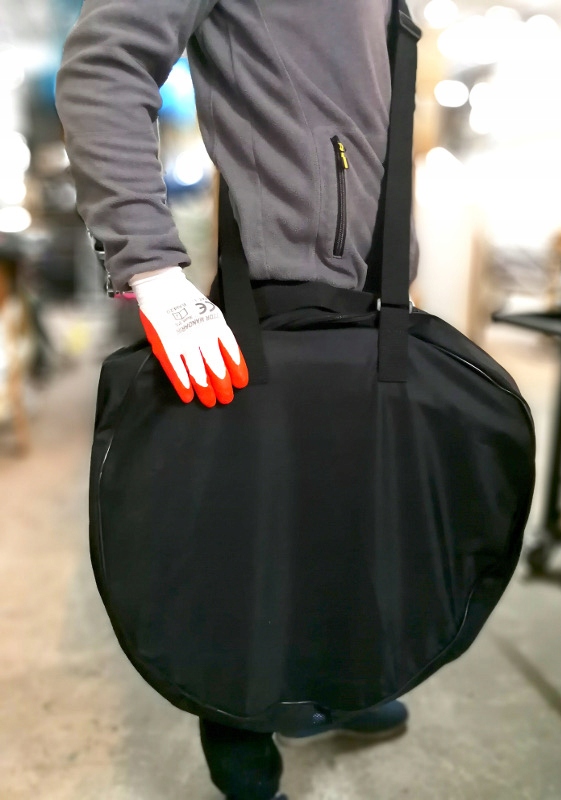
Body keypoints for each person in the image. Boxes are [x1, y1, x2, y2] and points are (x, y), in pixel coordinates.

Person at [56, 2, 418, 798]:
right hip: (275, 294)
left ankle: (332, 683)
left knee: (349, 518)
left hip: (371, 294)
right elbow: (104, 63)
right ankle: (243, 745)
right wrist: (151, 270)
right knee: (248, 537)